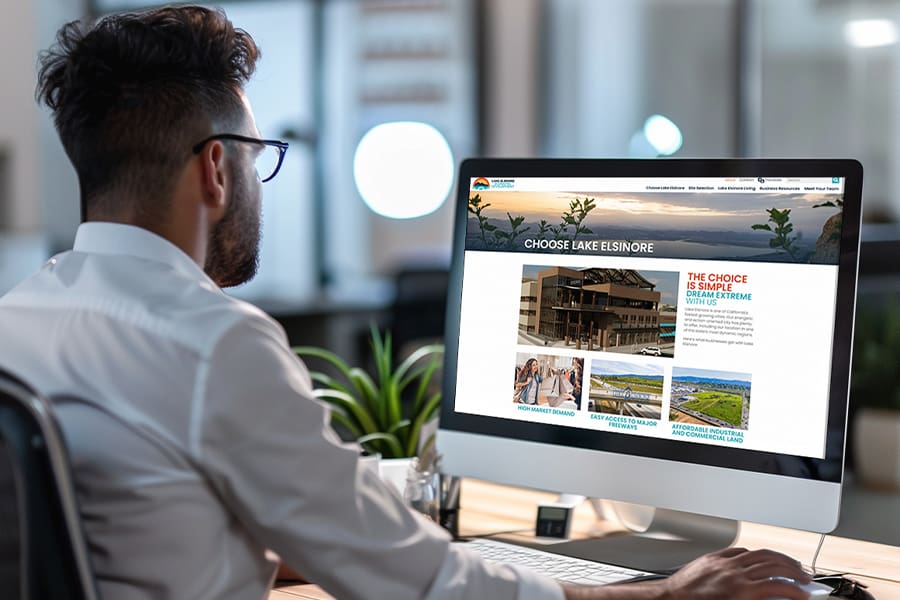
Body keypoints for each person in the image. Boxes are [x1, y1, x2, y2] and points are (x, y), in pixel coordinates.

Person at [0, 5, 812, 600]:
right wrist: (668, 597)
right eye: (259, 156)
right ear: (216, 167)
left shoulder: (19, 320)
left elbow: (136, 519)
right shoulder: (212, 344)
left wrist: (330, 536)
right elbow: (421, 584)